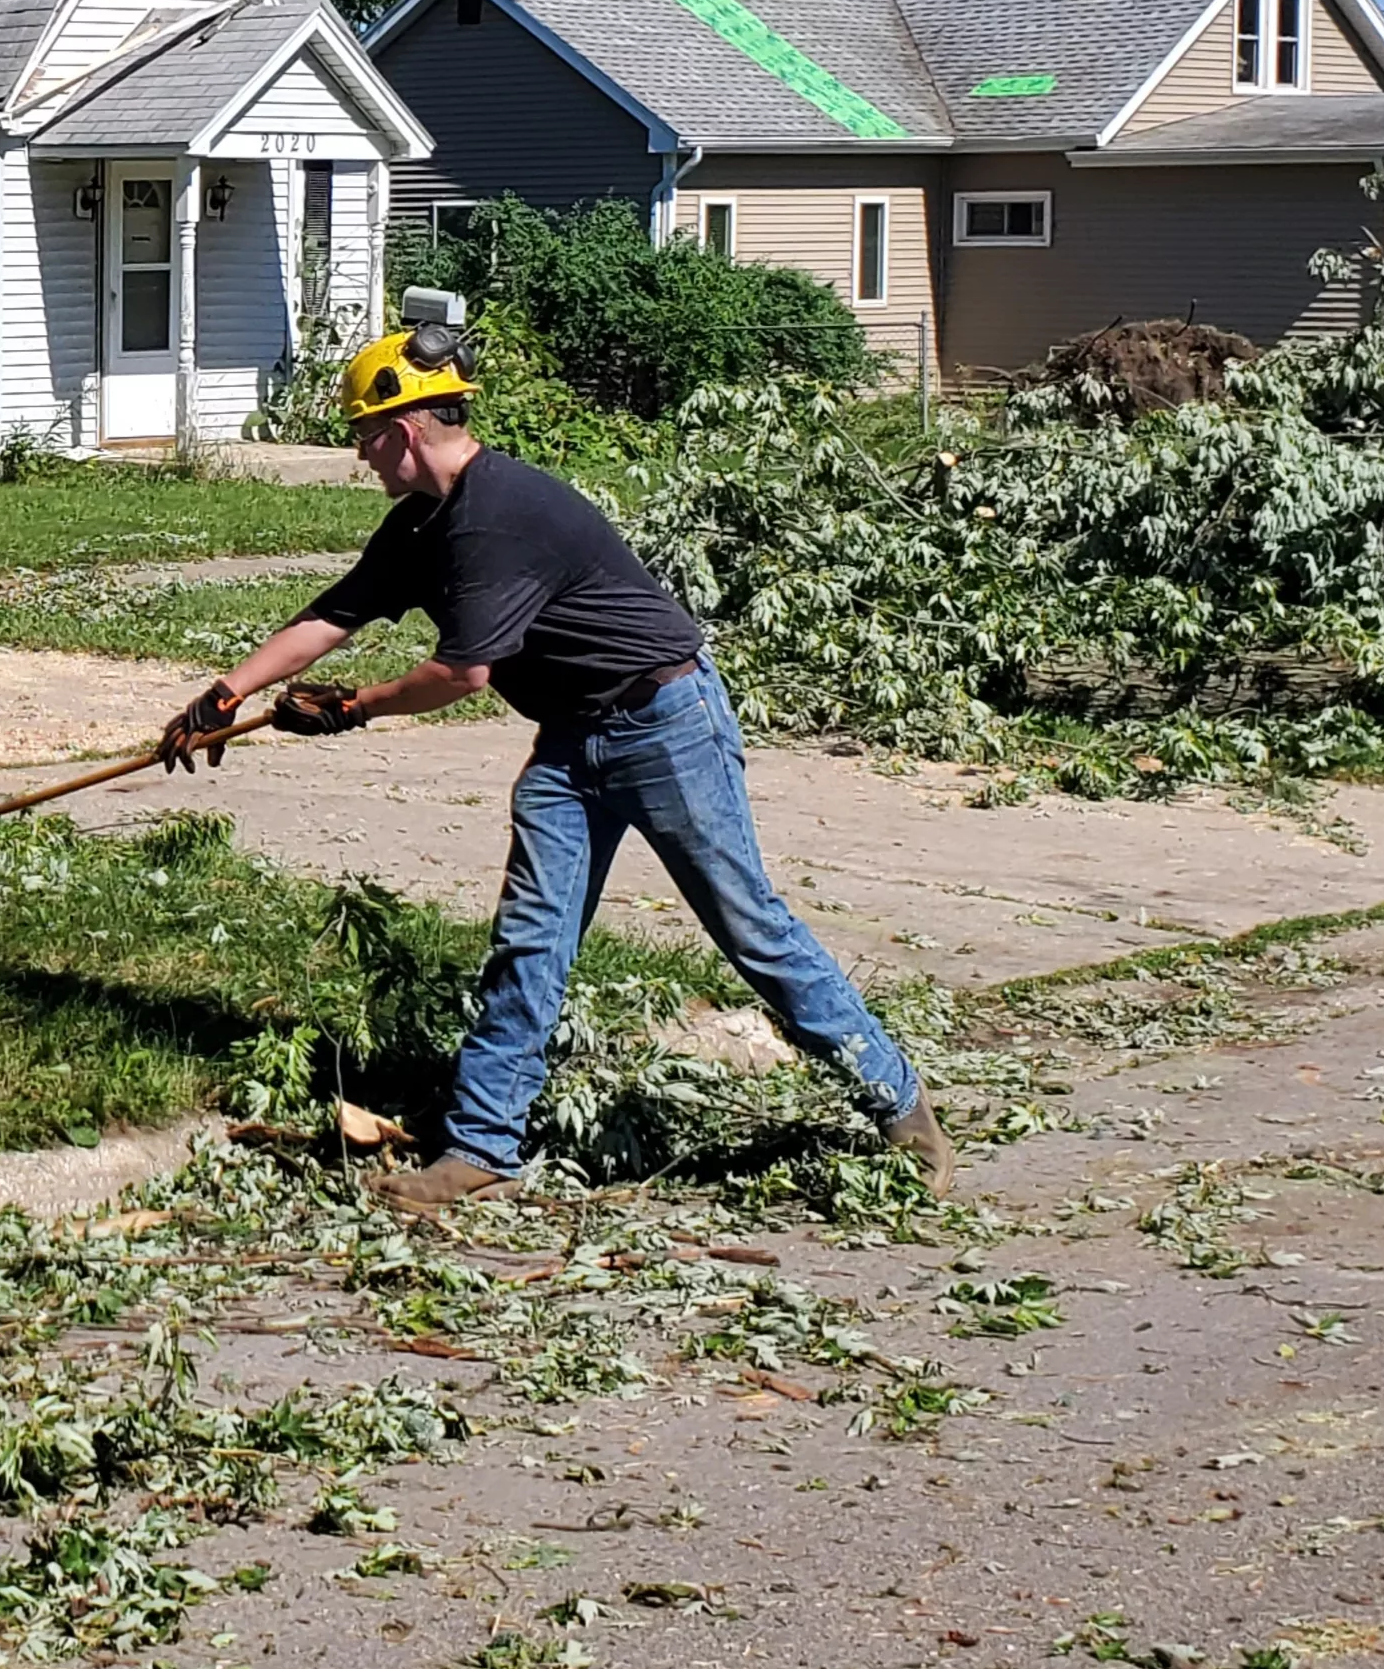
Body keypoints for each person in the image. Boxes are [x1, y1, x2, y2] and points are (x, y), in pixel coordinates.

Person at [160, 312, 953, 1212]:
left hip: (666, 723)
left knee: (750, 930)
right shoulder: (420, 522)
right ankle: (482, 1149)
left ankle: (900, 1104)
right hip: (572, 741)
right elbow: (332, 614)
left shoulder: (497, 518)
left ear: (401, 429)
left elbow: (462, 672)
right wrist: (223, 694)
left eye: (361, 440)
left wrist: (353, 709)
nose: (359, 459)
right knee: (531, 939)